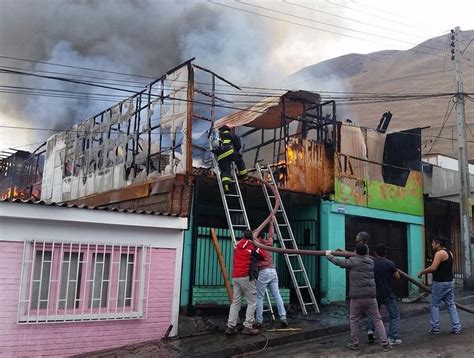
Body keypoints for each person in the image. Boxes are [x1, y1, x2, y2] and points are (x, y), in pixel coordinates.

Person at [325, 243, 392, 351]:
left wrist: (329, 255)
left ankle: (354, 343)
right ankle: (385, 343)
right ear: (366, 252)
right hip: (371, 296)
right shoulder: (371, 261)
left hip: (357, 297)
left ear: (355, 251)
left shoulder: (352, 261)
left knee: (354, 319)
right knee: (377, 319)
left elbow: (338, 262)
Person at [226, 229, 267, 336]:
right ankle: (248, 326)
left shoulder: (237, 245)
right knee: (252, 302)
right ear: (252, 238)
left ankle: (230, 326)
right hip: (247, 277)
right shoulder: (253, 248)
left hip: (235, 277)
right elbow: (264, 256)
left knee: (235, 302)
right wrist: (256, 244)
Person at [417, 235, 461, 335]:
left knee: (434, 304)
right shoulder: (449, 253)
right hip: (449, 282)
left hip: (440, 283)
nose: (432, 244)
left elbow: (433, 268)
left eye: (433, 243)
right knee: (451, 304)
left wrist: (421, 272)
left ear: (438, 244)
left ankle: (435, 327)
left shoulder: (439, 253)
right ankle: (456, 327)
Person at [253, 224, 288, 329]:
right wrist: (271, 223)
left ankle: (259, 321)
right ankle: (283, 317)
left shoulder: (257, 246)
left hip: (264, 272)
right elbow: (271, 235)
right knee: (277, 295)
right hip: (273, 271)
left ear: (258, 238)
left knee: (259, 296)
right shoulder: (268, 244)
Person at [366, 243, 402, 345]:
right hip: (387, 293)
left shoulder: (371, 262)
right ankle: (392, 338)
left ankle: (370, 331)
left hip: (374, 293)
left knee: (373, 313)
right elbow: (397, 277)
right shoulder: (390, 263)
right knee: (394, 315)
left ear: (375, 252)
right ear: (385, 252)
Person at [212, 125, 247, 192]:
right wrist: (235, 151)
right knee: (239, 160)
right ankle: (244, 175)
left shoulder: (217, 136)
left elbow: (215, 148)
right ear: (228, 129)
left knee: (225, 171)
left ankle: (226, 186)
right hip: (230, 151)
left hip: (221, 156)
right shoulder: (231, 134)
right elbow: (238, 145)